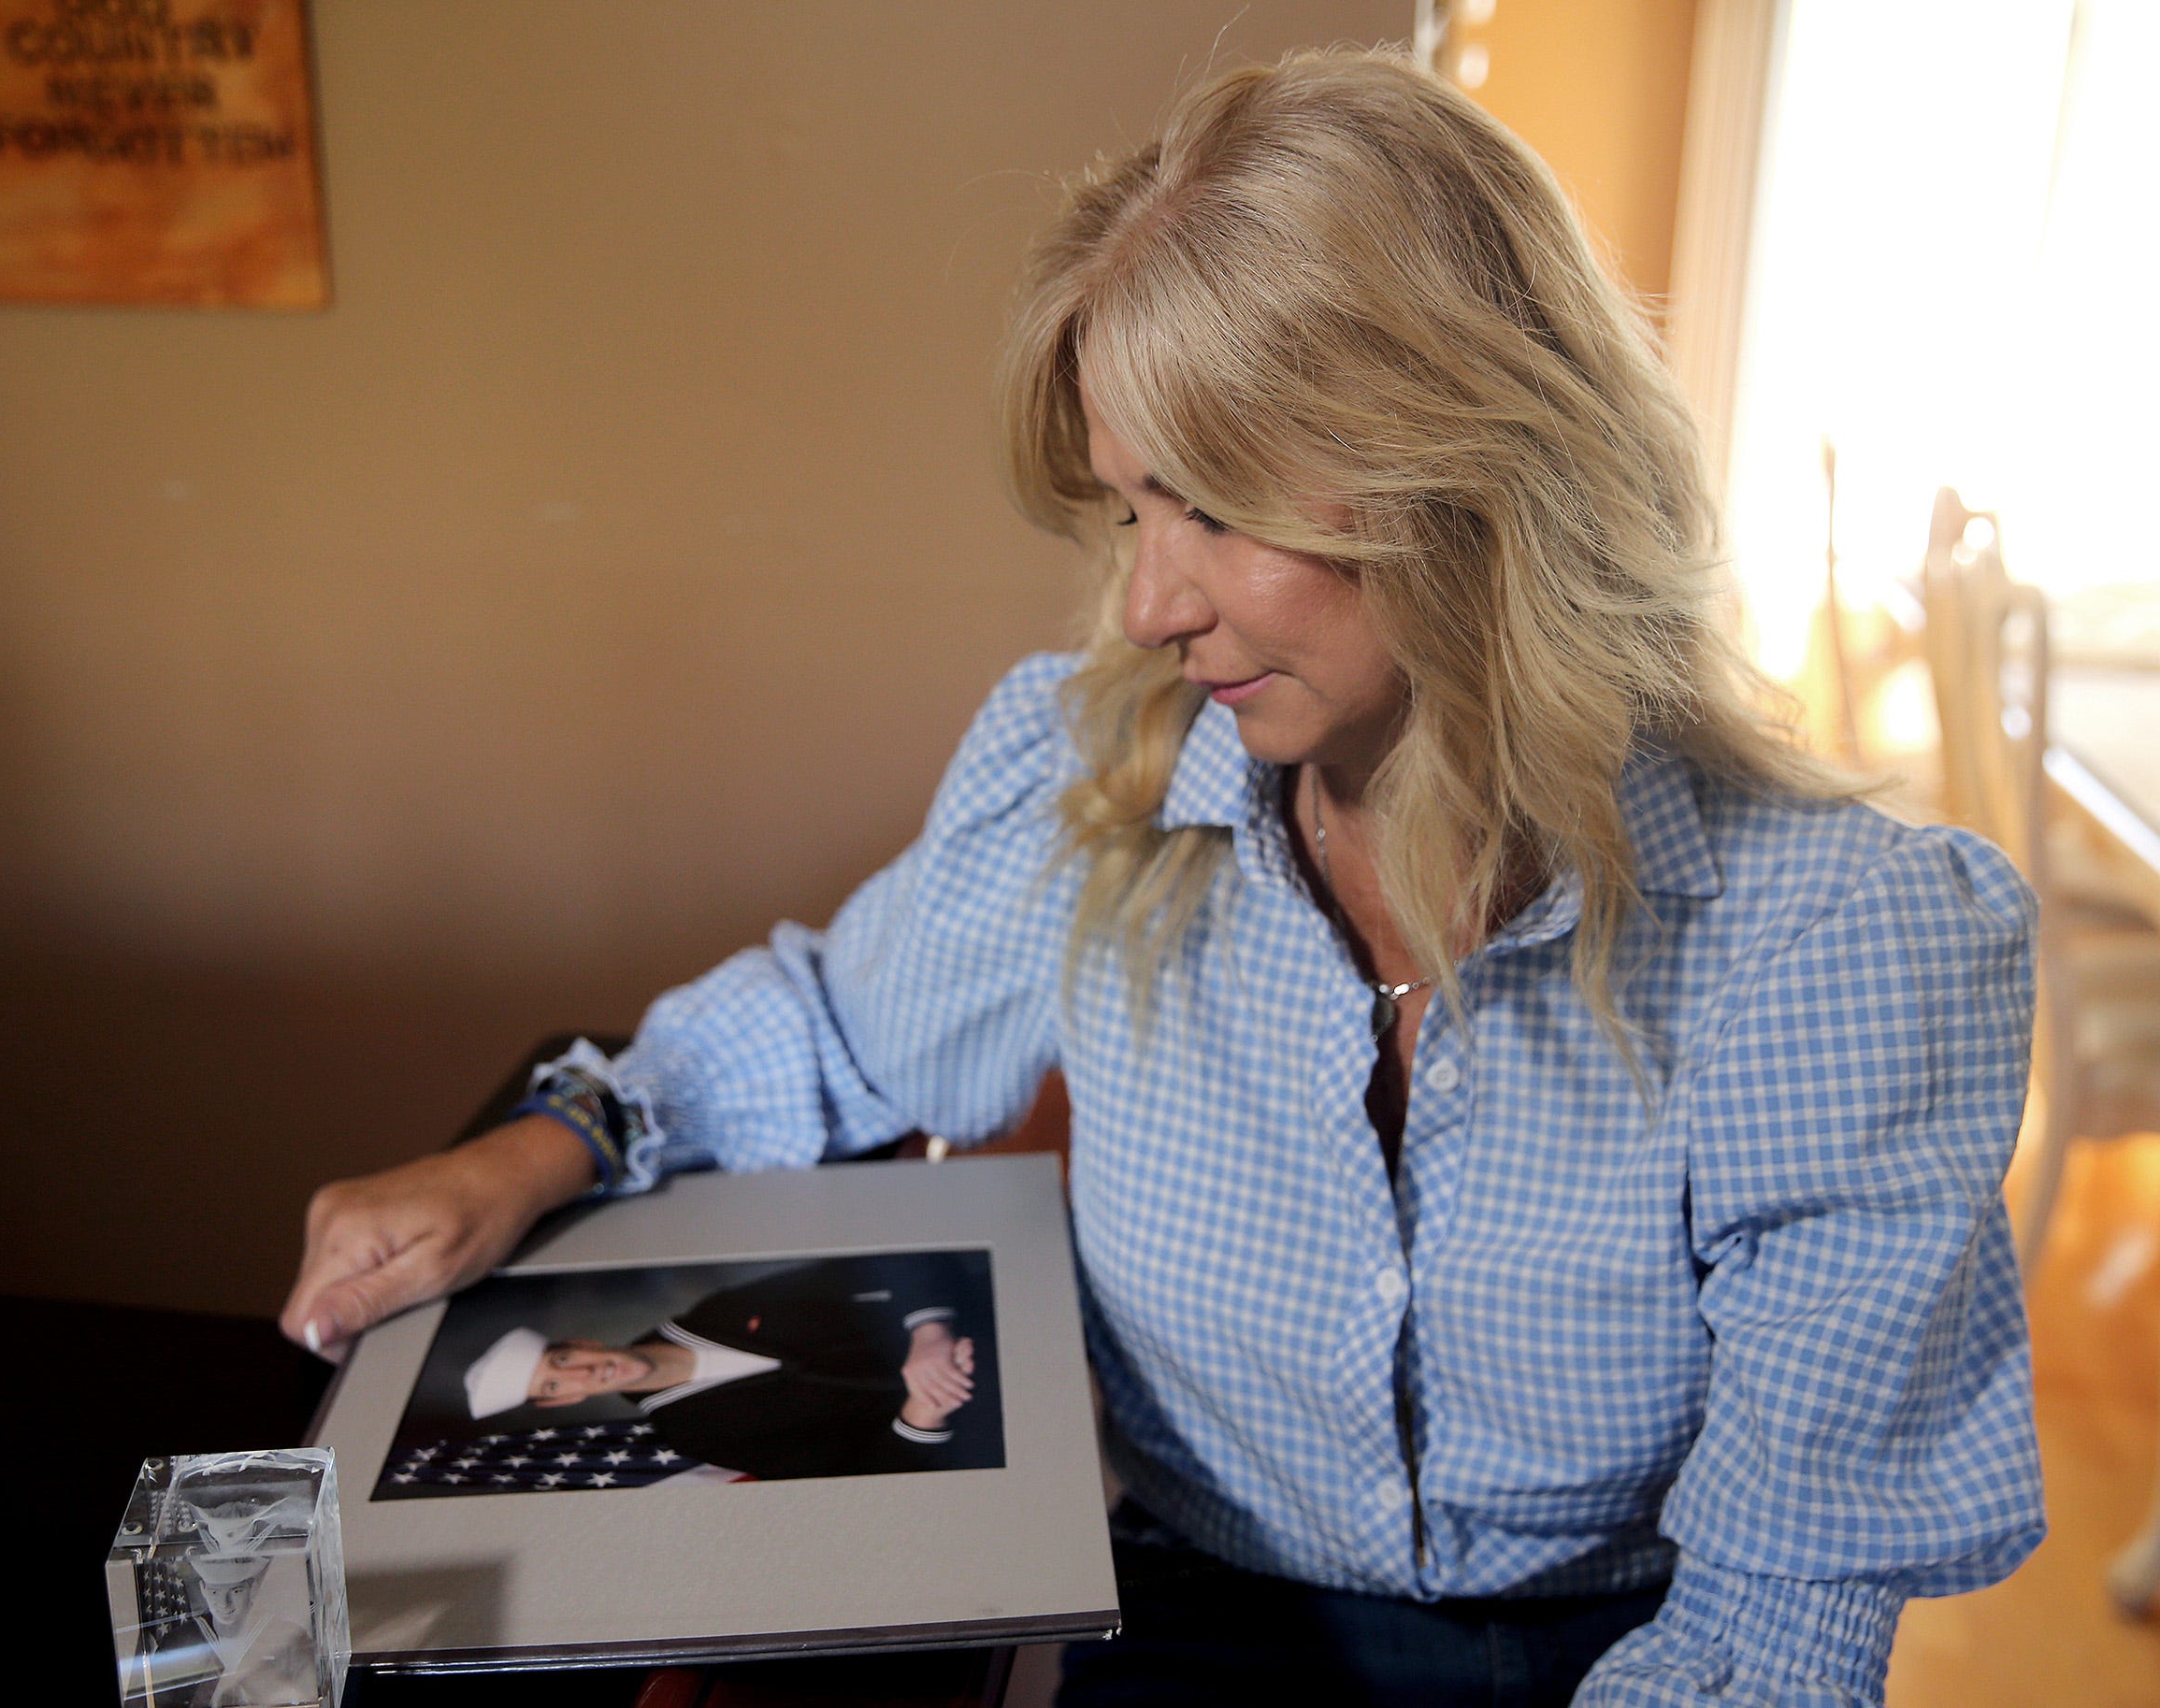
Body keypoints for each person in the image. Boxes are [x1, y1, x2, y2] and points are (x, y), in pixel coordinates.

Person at [280, 46, 2042, 1708]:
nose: (1149, 603)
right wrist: (542, 1143)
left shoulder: (1836, 944)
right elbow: (832, 1030)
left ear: (1476, 466)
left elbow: (1776, 1621)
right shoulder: (1096, 772)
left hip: (1629, 1644)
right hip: (1198, 1613)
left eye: (1213, 504)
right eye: (1130, 509)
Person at [454, 1254, 989, 1477]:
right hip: (988, 1430)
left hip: (996, 1314)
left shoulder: (719, 1310)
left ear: (582, 1340)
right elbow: (863, 1473)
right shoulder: (695, 1434)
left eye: (564, 1358)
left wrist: (929, 1330)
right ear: (562, 1402)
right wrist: (923, 1410)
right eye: (556, 1382)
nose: (583, 1374)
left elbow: (890, 1258)